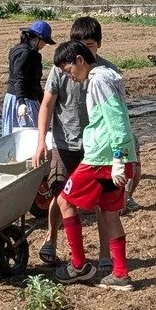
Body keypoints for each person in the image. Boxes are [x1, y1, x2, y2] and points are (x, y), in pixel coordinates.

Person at [52, 40, 138, 289]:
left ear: (80, 60)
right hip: (112, 159)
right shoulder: (105, 77)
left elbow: (117, 119)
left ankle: (78, 265)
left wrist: (118, 157)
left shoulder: (99, 81)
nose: (70, 76)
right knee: (110, 213)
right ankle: (120, 274)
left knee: (65, 201)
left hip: (102, 159)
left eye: (69, 70)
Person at [29, 16, 104, 264]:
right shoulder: (60, 70)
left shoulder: (105, 73)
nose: (83, 51)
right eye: (78, 45)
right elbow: (47, 105)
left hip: (95, 147)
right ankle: (51, 240)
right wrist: (41, 141)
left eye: (89, 45)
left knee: (102, 202)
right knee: (59, 194)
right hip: (65, 144)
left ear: (99, 44)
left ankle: (104, 255)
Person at [1, 20, 52, 135]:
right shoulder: (25, 54)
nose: (45, 45)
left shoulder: (31, 53)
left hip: (26, 97)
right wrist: (21, 102)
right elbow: (19, 78)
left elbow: (35, 82)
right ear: (37, 39)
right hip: (22, 99)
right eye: (44, 41)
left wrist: (43, 101)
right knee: (27, 135)